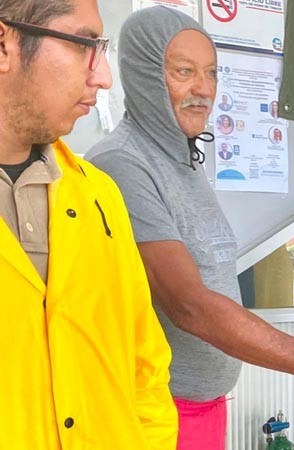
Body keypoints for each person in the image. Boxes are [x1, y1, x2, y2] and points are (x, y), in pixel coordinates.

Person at [85, 7, 294, 450]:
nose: (203, 89)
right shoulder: (123, 164)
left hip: (205, 409)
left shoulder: (183, 161)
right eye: (184, 71)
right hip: (155, 415)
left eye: (212, 73)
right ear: (143, 75)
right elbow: (190, 306)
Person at [0, 0, 177, 448]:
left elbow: (146, 369)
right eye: (83, 45)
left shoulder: (99, 195)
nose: (103, 77)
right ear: (4, 45)